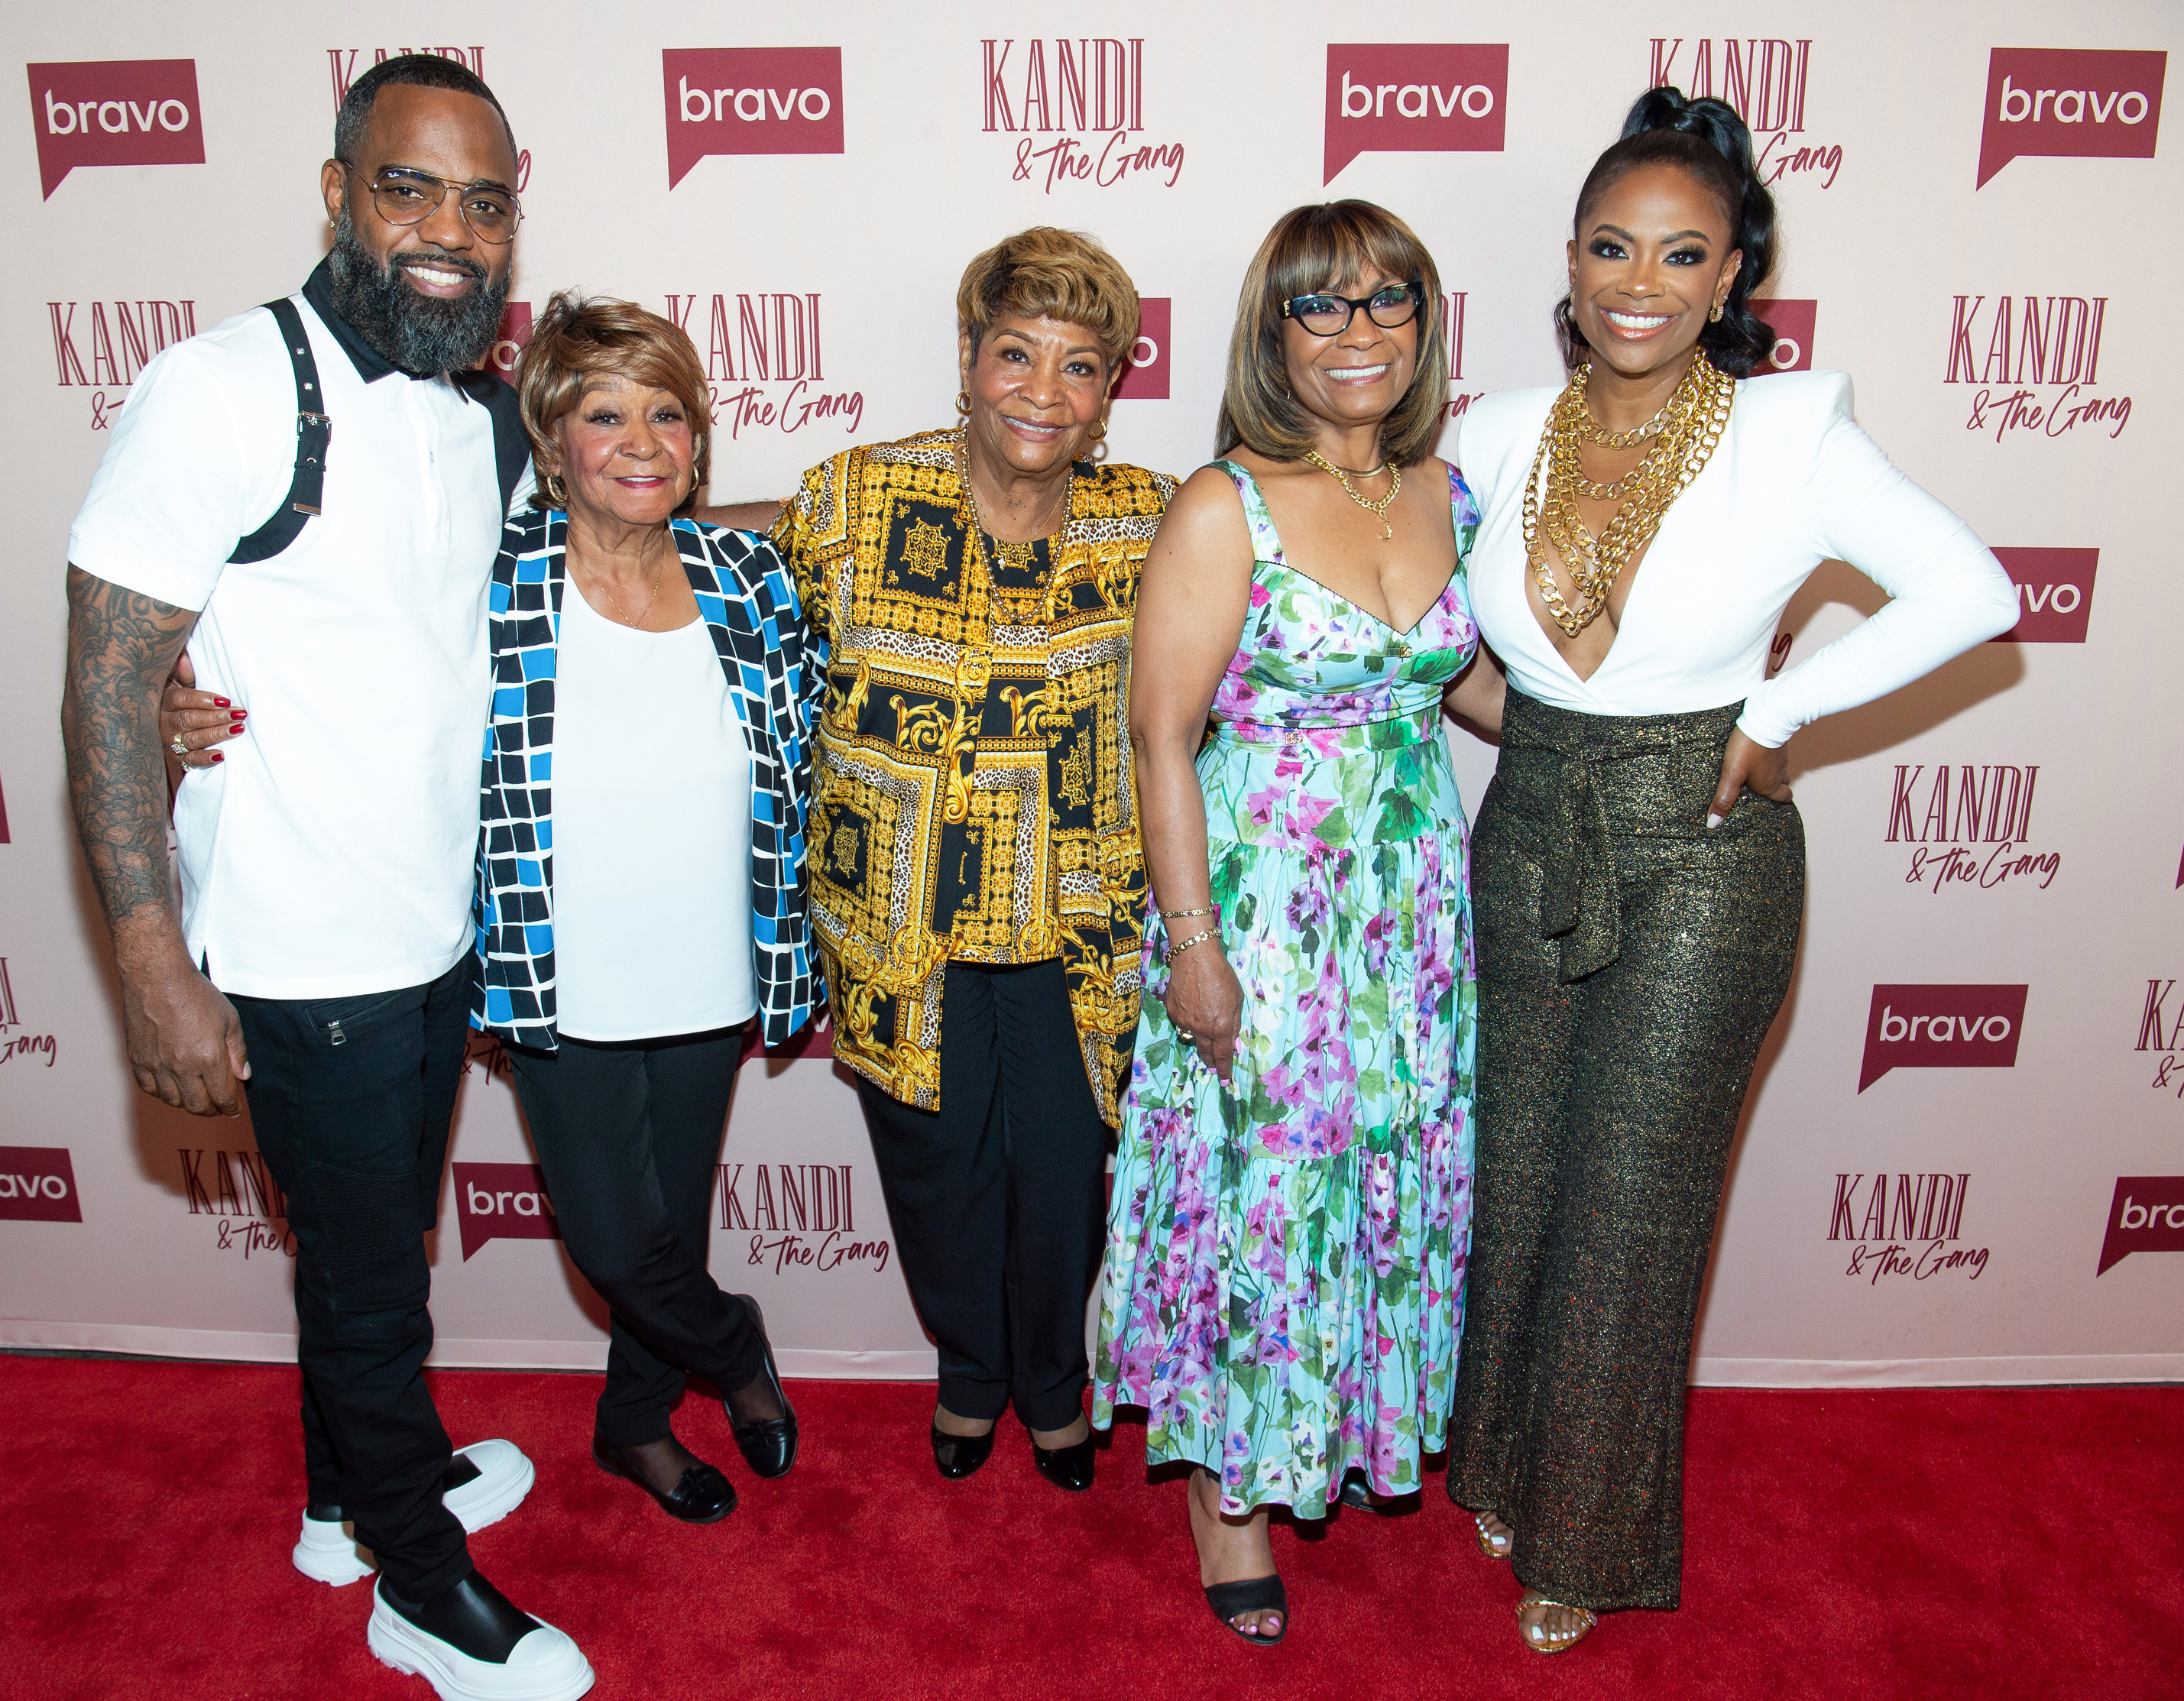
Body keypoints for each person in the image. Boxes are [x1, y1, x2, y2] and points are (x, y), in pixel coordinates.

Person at [1444, 89, 2019, 1654]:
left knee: (1633, 1199)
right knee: (1523, 1173)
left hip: (1705, 858)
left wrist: (1780, 712)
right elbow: (1421, 624)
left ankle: (1587, 1540)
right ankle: (1500, 1462)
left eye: (1680, 254)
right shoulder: (1494, 433)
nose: (1640, 280)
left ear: (1728, 277)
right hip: (1533, 821)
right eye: (1612, 245)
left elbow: (1972, 589)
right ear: (1570, 258)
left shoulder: (1787, 430)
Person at [62, 54, 592, 1701]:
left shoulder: (481, 407)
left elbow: (638, 524)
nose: (446, 231)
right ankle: (417, 1594)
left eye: (482, 200)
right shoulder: (225, 389)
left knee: (364, 1255)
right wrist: (152, 959)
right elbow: (103, 675)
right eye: (406, 189)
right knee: (373, 1288)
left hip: (432, 930)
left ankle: (339, 1502)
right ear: (336, 189)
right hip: (305, 948)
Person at [166, 295, 815, 1528]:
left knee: (674, 1213)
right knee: (619, 1243)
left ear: (700, 437)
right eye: (605, 413)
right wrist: (172, 701)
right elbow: (343, 666)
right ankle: (733, 1345)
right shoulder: (493, 582)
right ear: (552, 440)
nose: (641, 440)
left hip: (715, 964)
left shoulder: (752, 579)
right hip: (554, 970)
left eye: (667, 412)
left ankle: (634, 1424)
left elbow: (841, 700)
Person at [1092, 201, 1502, 1645]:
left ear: (1424, 326)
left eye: (1388, 302)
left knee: (1378, 1184)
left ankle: (1341, 1422)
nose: (1358, 333)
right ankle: (1231, 1501)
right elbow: (1160, 733)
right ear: (1274, 331)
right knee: (1258, 1197)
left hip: (1410, 917)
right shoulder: (1227, 501)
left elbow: (1470, 690)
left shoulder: (1452, 493)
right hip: (1266, 910)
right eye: (1320, 306)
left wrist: (1664, 694)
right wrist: (1192, 940)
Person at [725, 228, 1173, 1491]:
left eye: (1080, 365)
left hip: (1076, 922)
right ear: (968, 360)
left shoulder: (1149, 519)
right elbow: (710, 573)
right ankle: (972, 1374)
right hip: (900, 918)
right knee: (935, 1180)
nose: (1044, 388)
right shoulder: (858, 495)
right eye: (1016, 352)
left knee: (1062, 1182)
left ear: (1110, 392)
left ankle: (1056, 1384)